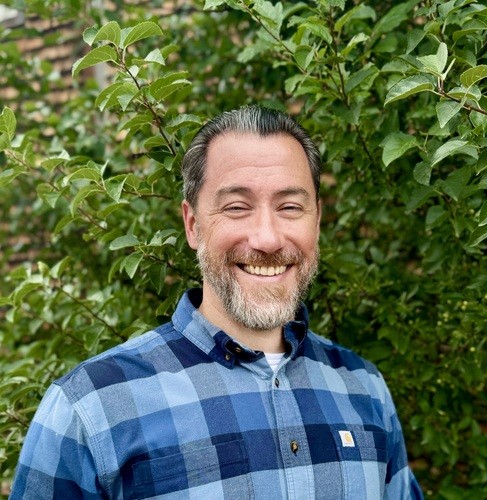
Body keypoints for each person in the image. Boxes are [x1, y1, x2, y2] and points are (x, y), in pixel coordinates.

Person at [10, 105, 423, 499]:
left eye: (290, 207)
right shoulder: (90, 407)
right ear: (193, 225)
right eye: (237, 207)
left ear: (316, 221)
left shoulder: (364, 388)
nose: (267, 238)